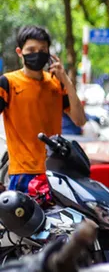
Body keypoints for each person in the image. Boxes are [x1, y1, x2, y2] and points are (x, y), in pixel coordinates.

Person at [0, 26, 86, 192]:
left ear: (49, 53)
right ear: (20, 52)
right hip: (23, 174)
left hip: (56, 172)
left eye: (42, 50)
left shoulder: (56, 83)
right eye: (31, 50)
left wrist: (66, 80)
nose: (37, 54)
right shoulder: (8, 83)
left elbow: (80, 120)